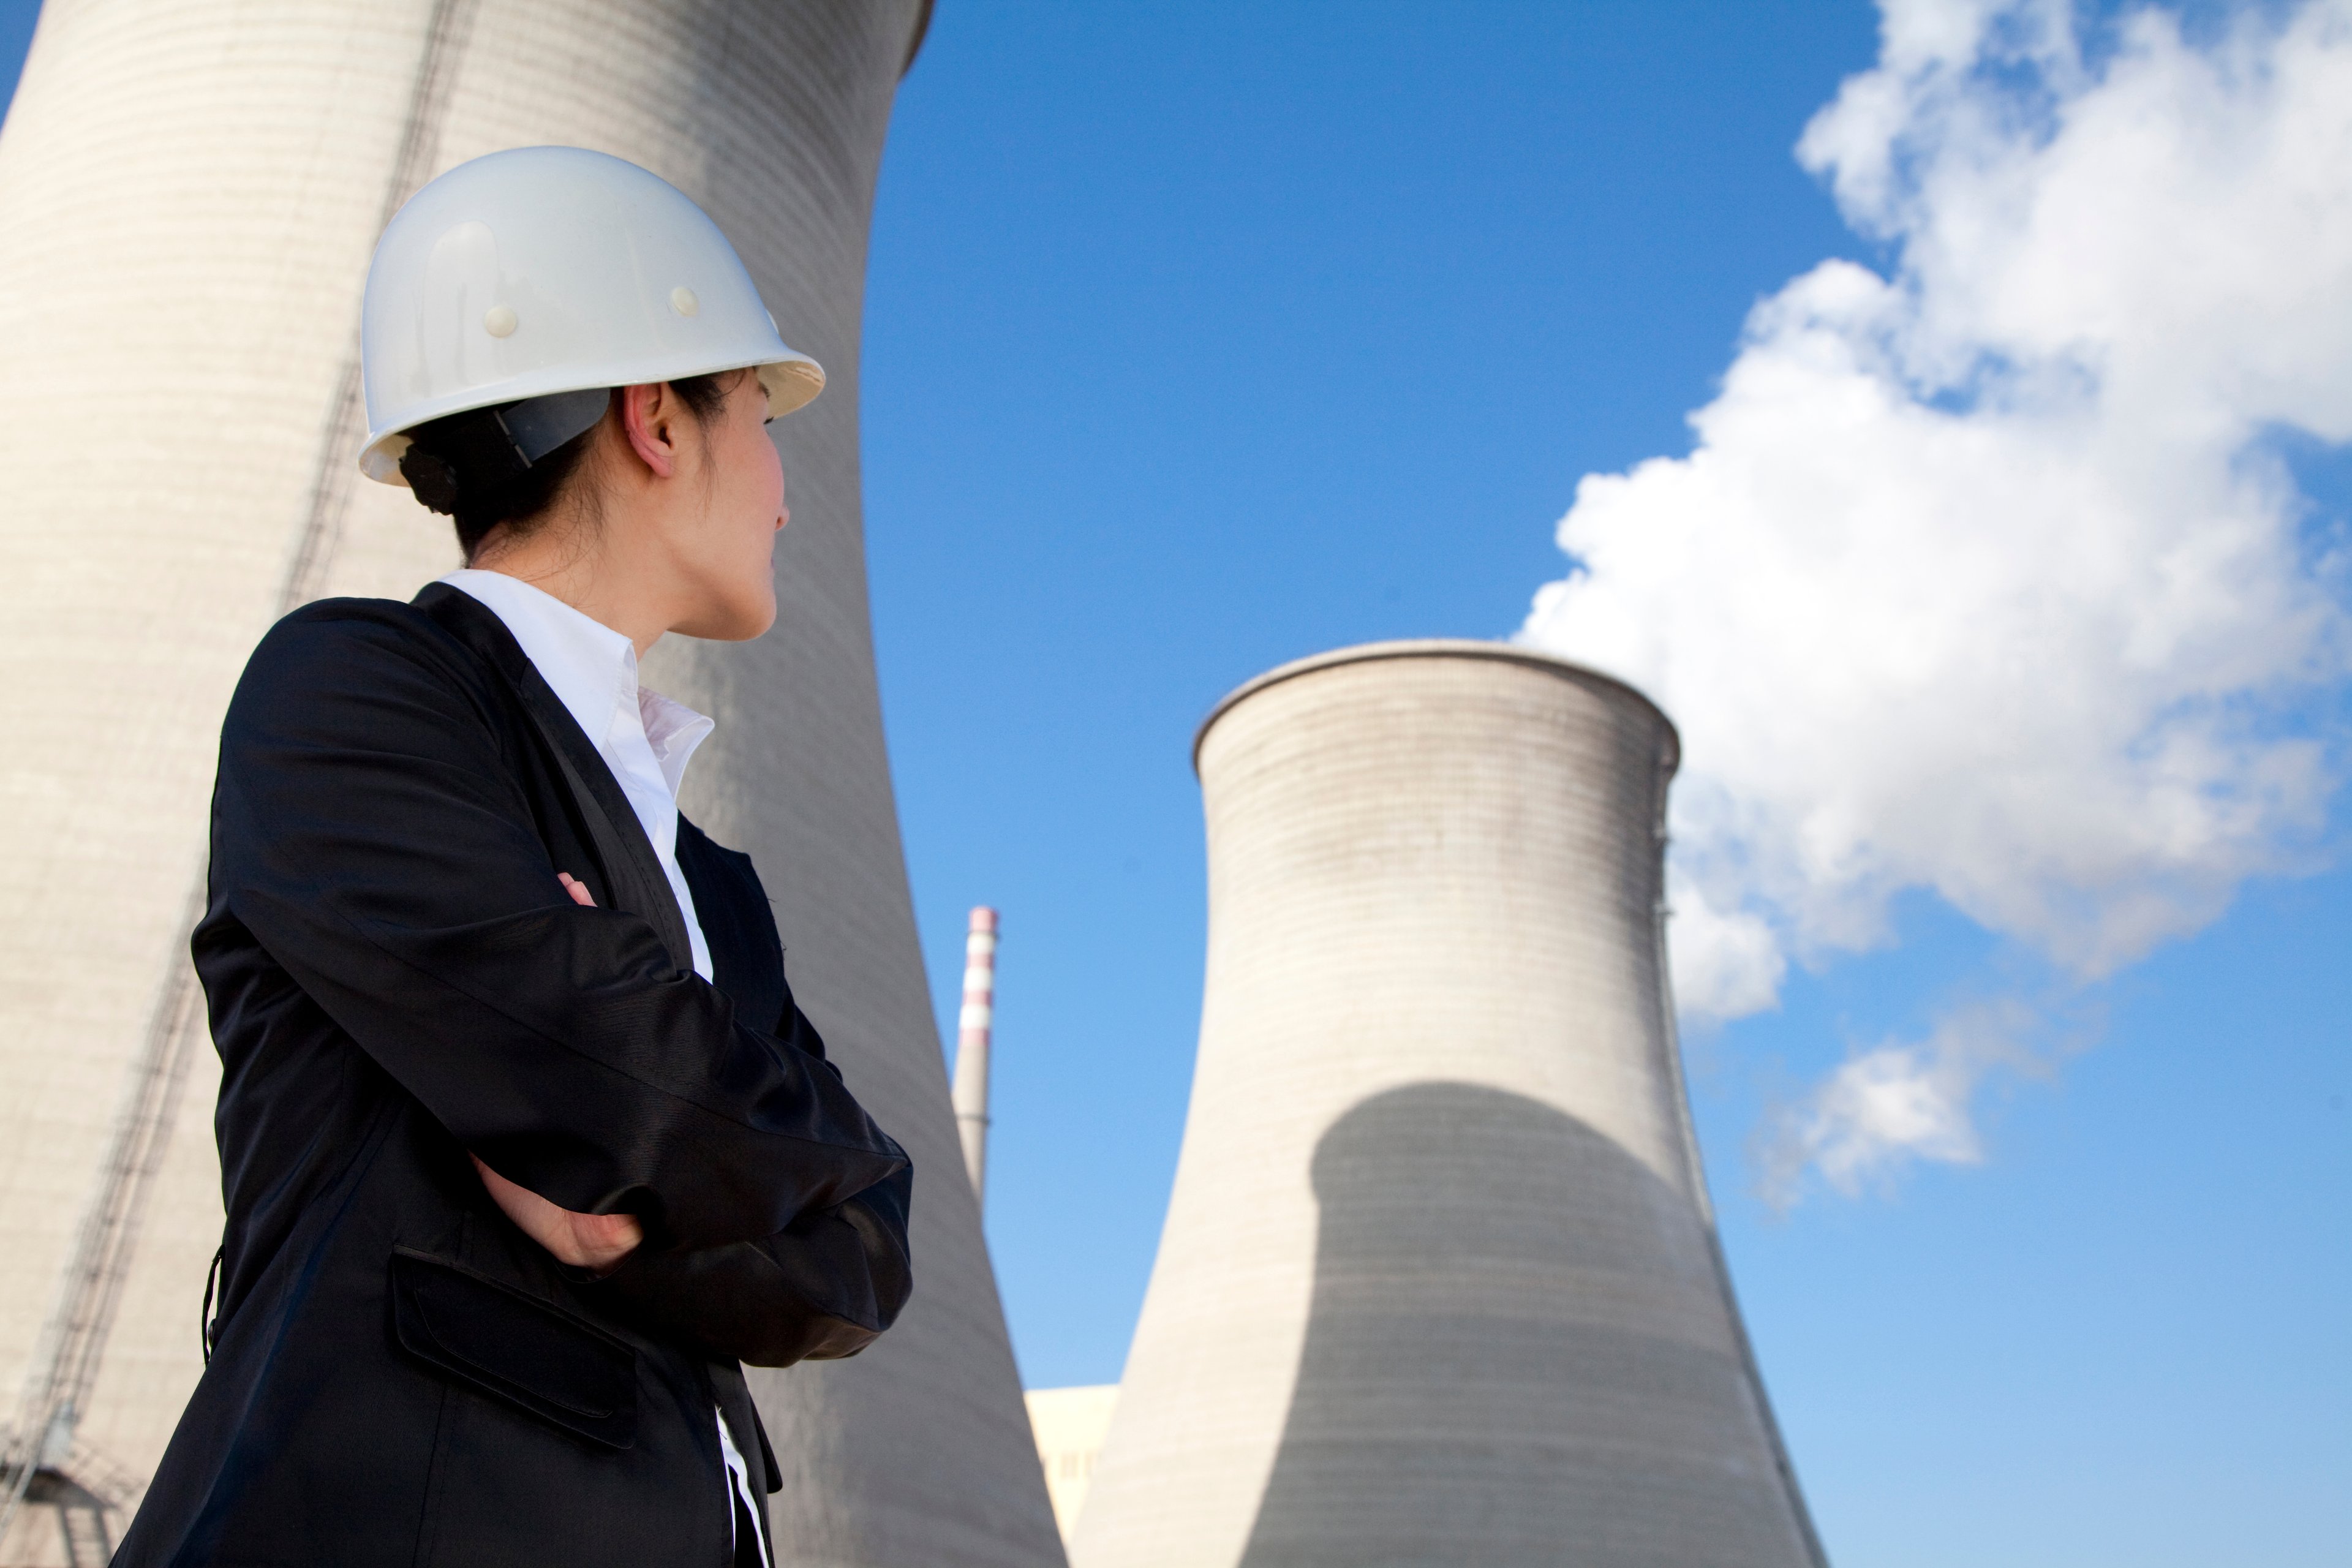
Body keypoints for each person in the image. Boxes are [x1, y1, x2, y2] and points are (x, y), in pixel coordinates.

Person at [116, 146, 912, 1568]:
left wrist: (642, 1204)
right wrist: (693, 1124)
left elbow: (870, 1237)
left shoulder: (714, 877)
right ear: (656, 418)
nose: (790, 494)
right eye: (765, 416)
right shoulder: (357, 692)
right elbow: (605, 1064)